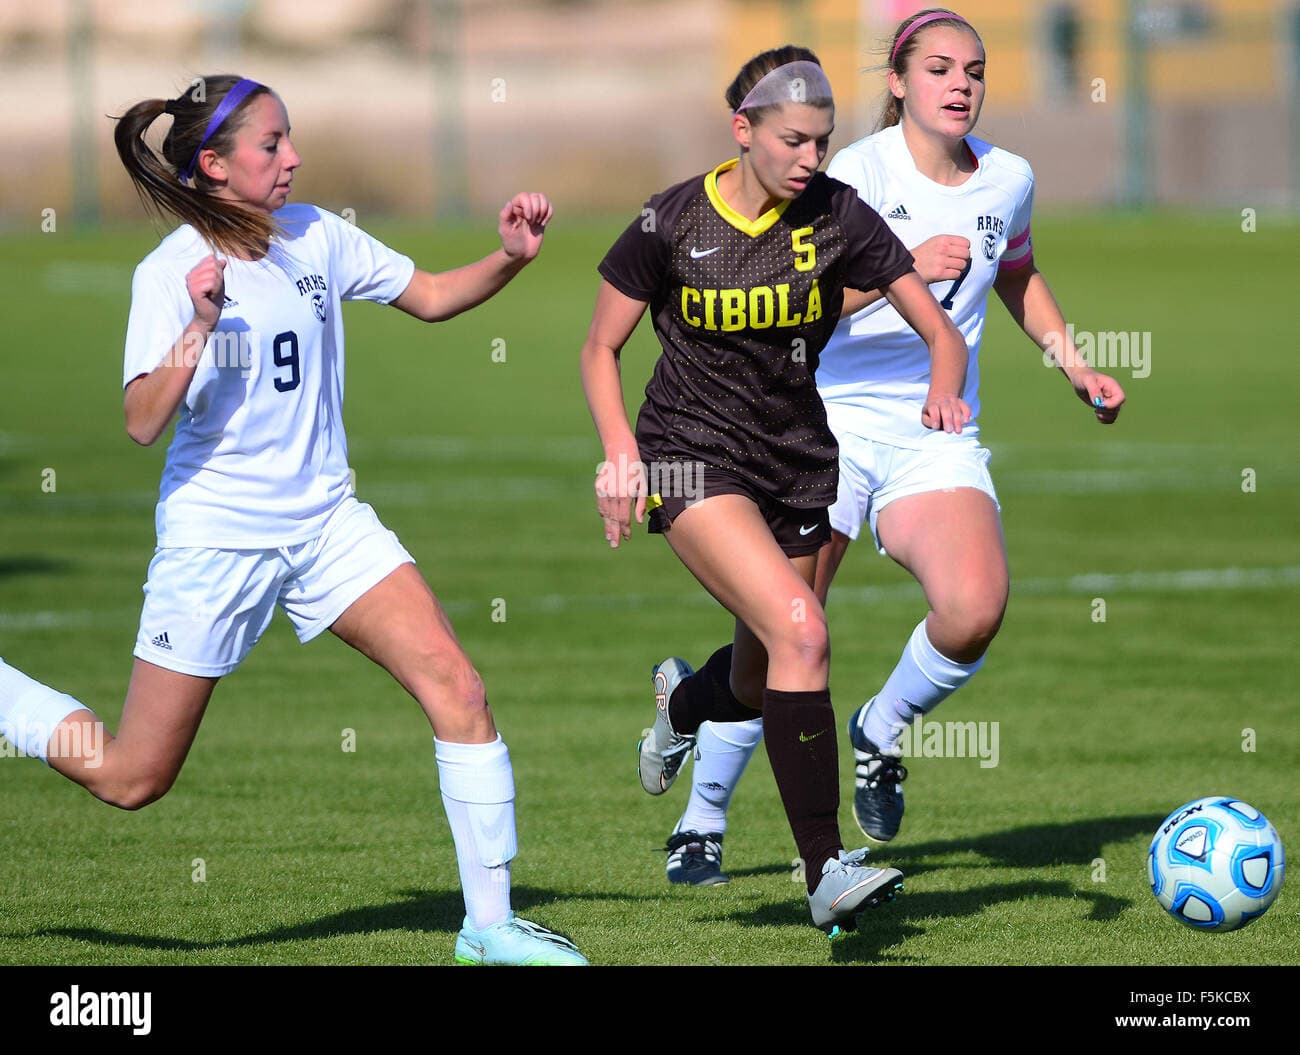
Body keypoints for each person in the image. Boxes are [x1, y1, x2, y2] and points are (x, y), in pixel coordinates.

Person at [0, 75, 586, 966]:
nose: (293, 158)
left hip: (327, 523)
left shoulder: (317, 233)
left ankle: (490, 926)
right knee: (131, 776)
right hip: (217, 540)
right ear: (213, 164)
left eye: (289, 139)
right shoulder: (169, 273)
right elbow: (141, 421)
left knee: (460, 689)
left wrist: (510, 257)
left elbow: (431, 294)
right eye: (271, 144)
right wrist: (199, 324)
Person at [662, 8, 1127, 885]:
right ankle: (702, 816)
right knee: (778, 638)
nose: (961, 85)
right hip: (823, 422)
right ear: (899, 83)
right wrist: (898, 267)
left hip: (935, 429)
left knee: (974, 607)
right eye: (940, 68)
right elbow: (790, 299)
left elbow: (1018, 274)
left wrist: (1075, 364)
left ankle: (879, 728)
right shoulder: (852, 174)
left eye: (974, 71)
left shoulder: (1009, 179)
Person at [581, 45, 973, 935]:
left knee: (762, 679)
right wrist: (620, 453)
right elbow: (600, 346)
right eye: (793, 140)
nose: (810, 158)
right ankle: (825, 869)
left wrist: (944, 385)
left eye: (822, 142)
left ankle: (684, 702)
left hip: (796, 462)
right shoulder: (670, 219)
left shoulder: (838, 215)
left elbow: (939, 330)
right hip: (686, 457)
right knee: (805, 630)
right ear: (743, 130)